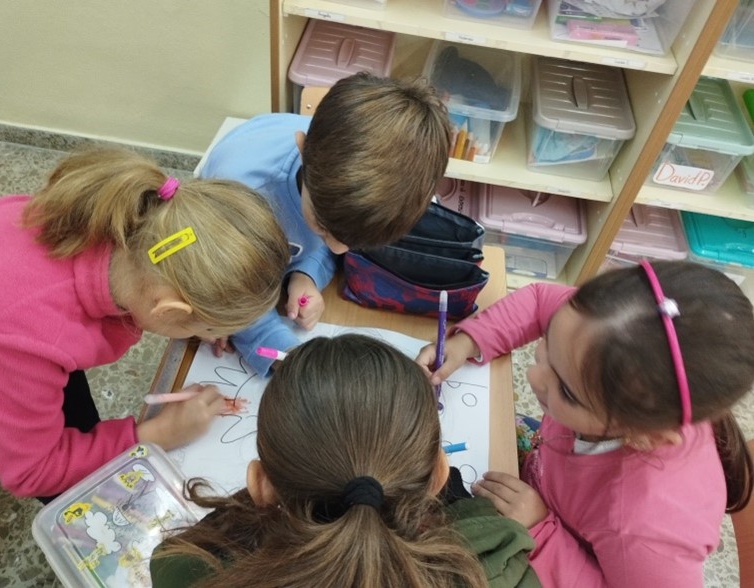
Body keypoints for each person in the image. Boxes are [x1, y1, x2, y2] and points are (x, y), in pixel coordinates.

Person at [0, 147, 290, 500]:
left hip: (1, 318)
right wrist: (159, 434)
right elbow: (33, 472)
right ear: (168, 311)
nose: (214, 335)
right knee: (76, 489)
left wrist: (205, 319)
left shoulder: (123, 222)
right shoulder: (29, 338)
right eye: (211, 328)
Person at [416, 260, 754, 587]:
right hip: (547, 471)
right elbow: (539, 302)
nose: (534, 375)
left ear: (644, 436)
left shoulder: (644, 530)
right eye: (548, 342)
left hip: (558, 547)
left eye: (566, 390)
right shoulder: (605, 328)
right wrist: (469, 341)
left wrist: (542, 530)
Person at [149, 334, 541, 588]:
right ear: (439, 476)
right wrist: (471, 511)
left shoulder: (192, 569)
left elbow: (177, 561)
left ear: (260, 484)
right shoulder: (497, 568)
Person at [200, 71, 451, 376]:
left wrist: (307, 272)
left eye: (354, 242)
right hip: (214, 247)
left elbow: (328, 240)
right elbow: (229, 290)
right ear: (302, 148)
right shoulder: (243, 194)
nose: (339, 248)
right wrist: (287, 356)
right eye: (323, 226)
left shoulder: (340, 179)